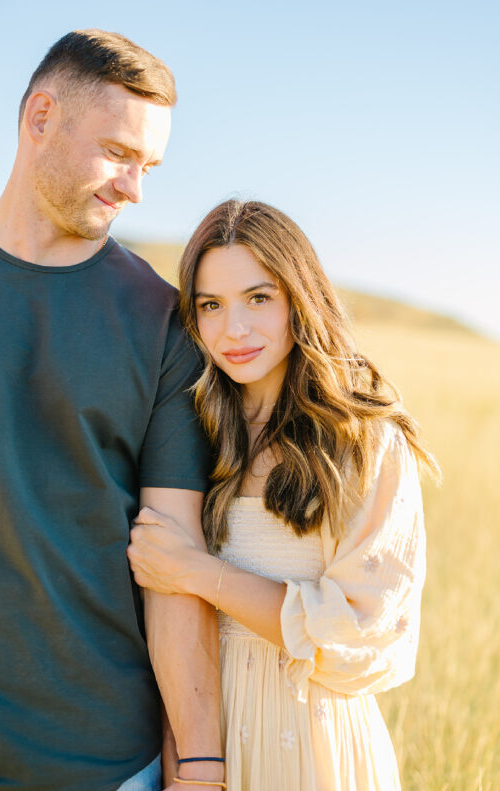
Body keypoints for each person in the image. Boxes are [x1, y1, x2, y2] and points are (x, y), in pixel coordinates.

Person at [0, 30, 224, 791]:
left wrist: (203, 762)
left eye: (148, 166)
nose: (134, 187)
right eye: (119, 153)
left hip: (108, 764)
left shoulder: (162, 321)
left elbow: (172, 559)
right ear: (40, 118)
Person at [128, 199, 439, 790]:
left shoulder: (364, 438)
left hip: (316, 748)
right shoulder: (193, 432)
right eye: (211, 306)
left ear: (300, 296)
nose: (234, 330)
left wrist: (196, 572)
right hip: (202, 746)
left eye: (259, 298)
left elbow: (368, 631)